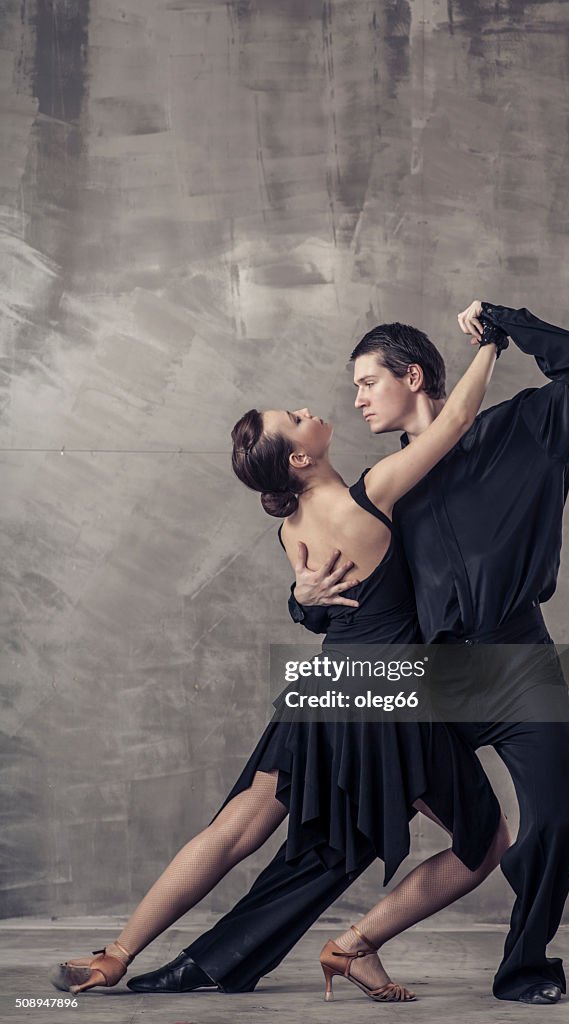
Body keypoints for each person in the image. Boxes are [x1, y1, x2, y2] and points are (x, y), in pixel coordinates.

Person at [127, 298, 569, 1006]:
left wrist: (511, 324)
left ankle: (525, 969)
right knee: (341, 835)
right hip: (428, 682)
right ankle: (217, 961)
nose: (355, 397)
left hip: (519, 665)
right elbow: (352, 596)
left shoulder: (527, 431)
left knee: (552, 824)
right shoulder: (392, 489)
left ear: (412, 375)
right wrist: (303, 598)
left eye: (367, 381)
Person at [51, 310, 511, 1002]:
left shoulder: (292, 532)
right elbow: (451, 426)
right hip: (384, 697)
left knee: (236, 825)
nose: (310, 409)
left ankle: (116, 953)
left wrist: (300, 599)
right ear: (299, 458)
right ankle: (358, 944)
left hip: (323, 687)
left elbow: (318, 609)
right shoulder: (373, 493)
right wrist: (494, 344)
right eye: (295, 418)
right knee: (486, 840)